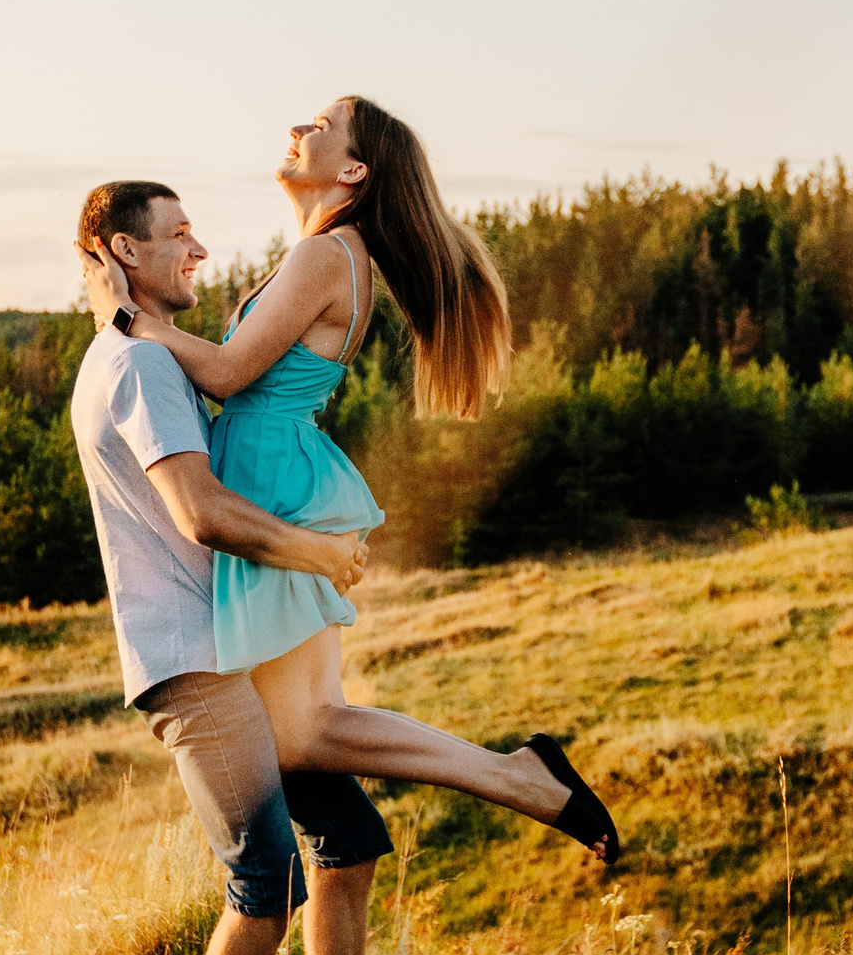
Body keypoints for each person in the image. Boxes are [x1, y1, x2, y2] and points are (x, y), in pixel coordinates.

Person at [79, 97, 619, 860]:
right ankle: (509, 783)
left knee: (308, 731)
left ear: (355, 170)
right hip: (282, 470)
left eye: (321, 129)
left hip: (273, 479)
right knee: (304, 733)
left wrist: (125, 319)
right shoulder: (332, 253)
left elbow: (231, 374)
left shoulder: (327, 256)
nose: (298, 130)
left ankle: (521, 778)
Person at [67, 178, 459, 955]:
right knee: (265, 875)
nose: (199, 250)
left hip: (233, 649)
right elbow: (199, 512)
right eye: (178, 236)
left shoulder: (146, 355)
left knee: (351, 838)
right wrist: (318, 552)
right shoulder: (142, 367)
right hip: (192, 665)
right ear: (124, 252)